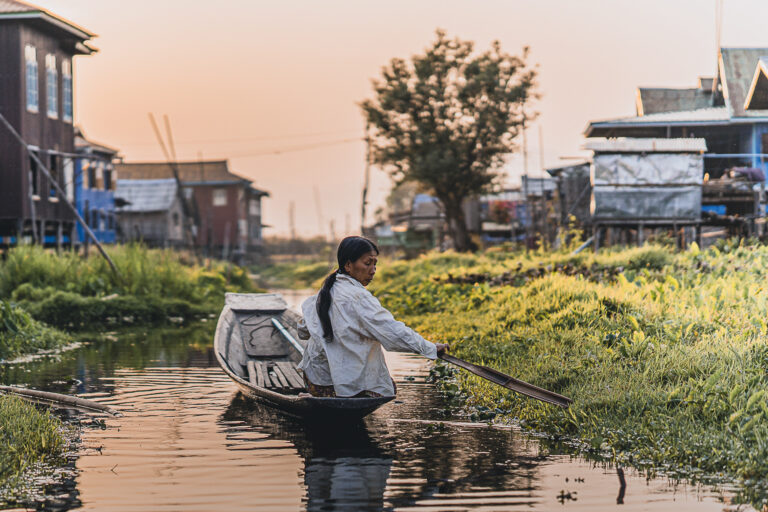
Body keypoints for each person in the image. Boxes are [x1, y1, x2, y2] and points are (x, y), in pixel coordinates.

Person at [297, 236, 448, 398]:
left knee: (380, 382)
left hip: (314, 381)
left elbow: (303, 330)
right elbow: (391, 331)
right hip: (333, 385)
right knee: (386, 387)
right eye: (367, 263)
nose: (373, 270)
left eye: (375, 264)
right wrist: (429, 347)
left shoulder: (326, 291)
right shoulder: (357, 297)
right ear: (348, 265)